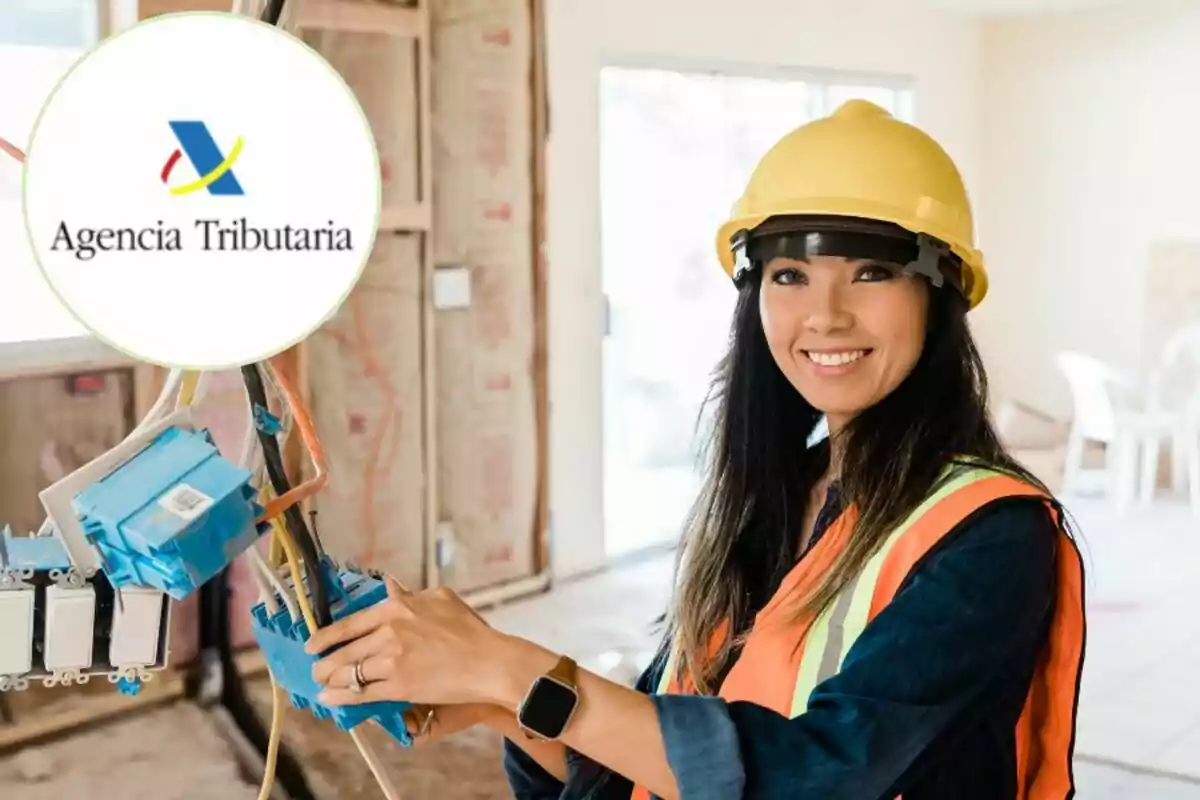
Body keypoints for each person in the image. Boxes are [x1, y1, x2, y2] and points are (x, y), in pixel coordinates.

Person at [304, 99, 1087, 800]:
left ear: (941, 292)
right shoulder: (779, 501)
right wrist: (507, 706)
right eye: (789, 275)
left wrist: (510, 667)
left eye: (873, 272)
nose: (825, 315)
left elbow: (818, 777)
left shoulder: (990, 536)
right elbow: (647, 759)